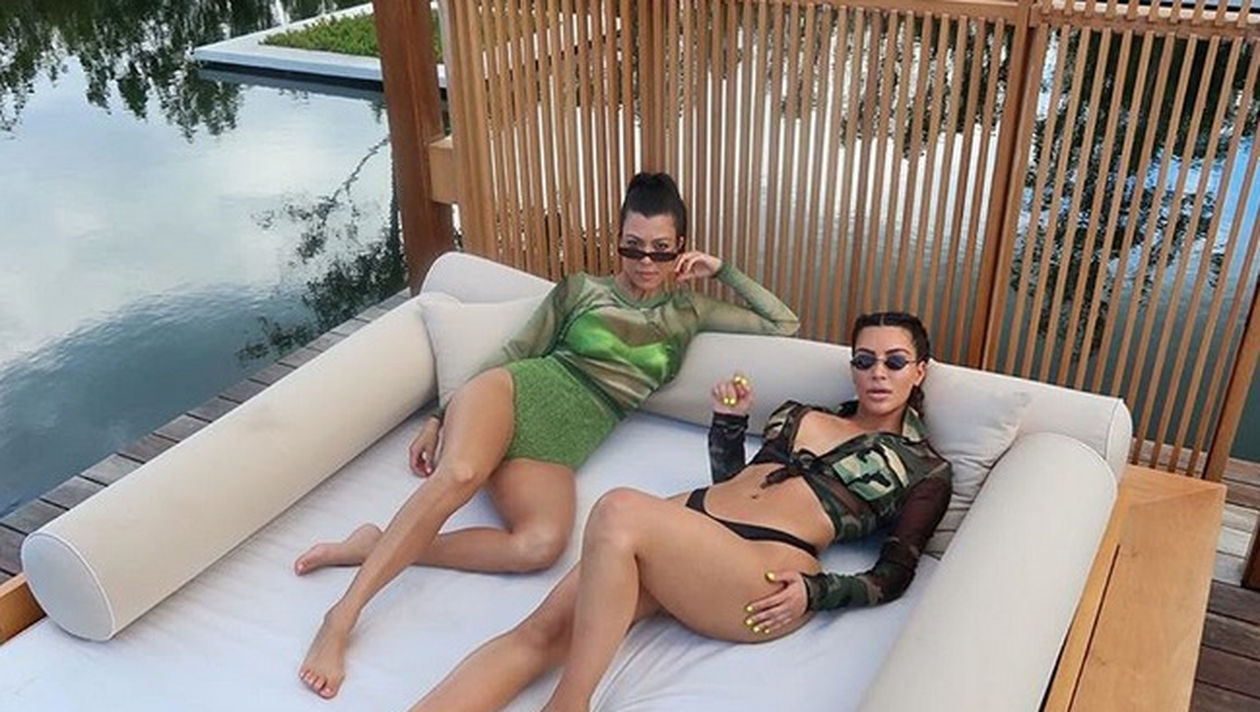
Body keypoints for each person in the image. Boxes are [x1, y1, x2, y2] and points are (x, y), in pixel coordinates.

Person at [295, 172, 800, 698]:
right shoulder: (582, 290)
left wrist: (722, 270)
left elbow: (782, 323)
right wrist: (439, 418)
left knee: (538, 546)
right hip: (514, 393)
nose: (645, 262)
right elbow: (516, 353)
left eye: (660, 249)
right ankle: (341, 617)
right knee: (461, 473)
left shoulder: (688, 312)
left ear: (680, 248)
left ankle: (375, 543)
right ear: (618, 240)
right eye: (633, 247)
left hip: (559, 448)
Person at [405, 311, 952, 712]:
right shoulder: (801, 413)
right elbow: (735, 483)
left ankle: (570, 703)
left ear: (920, 371)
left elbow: (895, 572)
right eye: (865, 360)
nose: (878, 372)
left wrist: (818, 591)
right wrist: (729, 424)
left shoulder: (925, 468)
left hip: (762, 566)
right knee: (539, 632)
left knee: (617, 508)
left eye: (895, 361)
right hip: (692, 530)